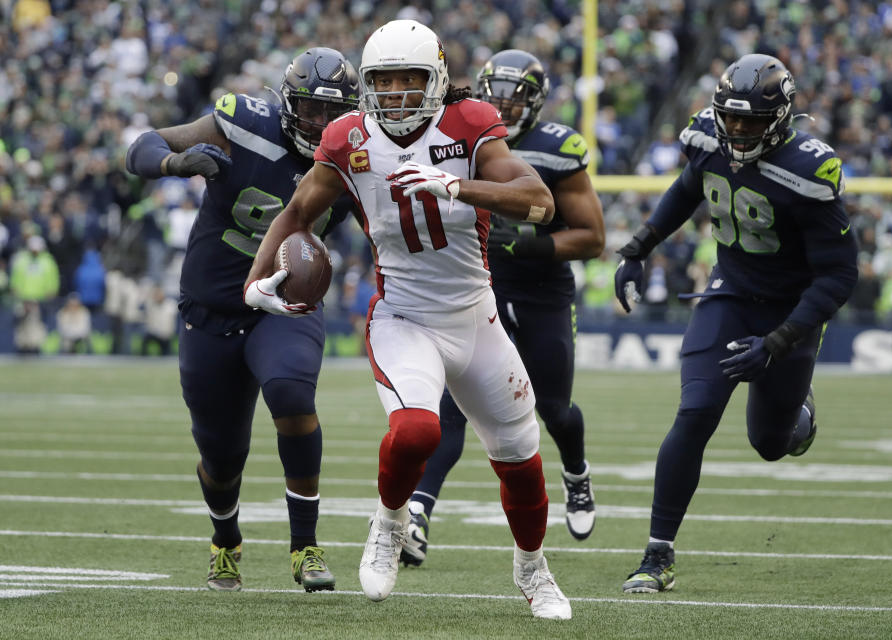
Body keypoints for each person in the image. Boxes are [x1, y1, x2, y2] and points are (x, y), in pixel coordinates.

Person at [244, 20, 571, 620]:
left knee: (521, 459)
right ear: (367, 85)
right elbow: (296, 213)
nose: (395, 92)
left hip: (476, 317)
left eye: (409, 79)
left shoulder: (468, 123)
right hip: (404, 317)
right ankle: (391, 521)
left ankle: (532, 569)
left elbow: (540, 201)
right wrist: (255, 281)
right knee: (417, 431)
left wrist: (457, 186)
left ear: (437, 79)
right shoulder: (348, 137)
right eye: (383, 80)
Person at [613, 54, 858, 594]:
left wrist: (779, 341)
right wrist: (638, 248)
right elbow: (686, 188)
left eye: (752, 120)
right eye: (732, 117)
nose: (739, 129)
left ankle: (799, 406)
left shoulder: (808, 170)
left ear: (781, 117)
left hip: (789, 311)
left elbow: (840, 276)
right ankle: (657, 554)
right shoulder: (706, 137)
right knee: (696, 411)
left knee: (771, 443)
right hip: (730, 294)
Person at [125, 47, 359, 592]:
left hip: (284, 302)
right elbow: (142, 144)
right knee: (221, 456)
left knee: (292, 394)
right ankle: (225, 540)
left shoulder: (357, 155)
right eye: (310, 110)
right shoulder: (243, 124)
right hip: (213, 309)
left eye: (332, 113)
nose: (321, 124)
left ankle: (305, 546)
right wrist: (175, 163)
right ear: (285, 103)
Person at [400, 49, 605, 569]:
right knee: (449, 411)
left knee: (553, 407)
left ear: (538, 102)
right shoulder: (461, 132)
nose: (506, 107)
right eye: (498, 95)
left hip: (540, 292)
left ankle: (576, 475)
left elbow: (593, 237)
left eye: (519, 98)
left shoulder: (557, 149)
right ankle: (419, 514)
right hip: (473, 288)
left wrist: (536, 247)